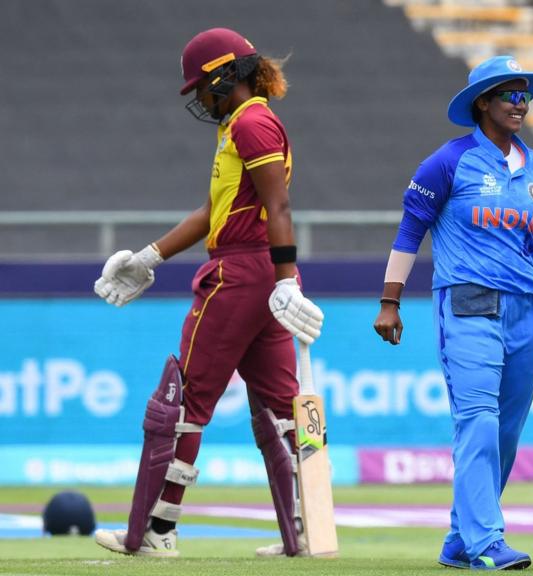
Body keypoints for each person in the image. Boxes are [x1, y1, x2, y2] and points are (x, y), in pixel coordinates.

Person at [92, 28, 324, 558]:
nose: (198, 97)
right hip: (262, 275)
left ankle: (156, 531)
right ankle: (307, 531)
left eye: (201, 86)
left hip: (242, 274)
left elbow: (279, 206)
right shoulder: (243, 125)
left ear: (226, 77)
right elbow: (210, 213)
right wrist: (149, 256)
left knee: (185, 402)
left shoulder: (253, 124)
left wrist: (287, 279)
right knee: (282, 408)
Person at [372, 55, 533, 571]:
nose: (521, 103)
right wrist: (390, 299)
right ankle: (486, 541)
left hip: (526, 308)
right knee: (477, 420)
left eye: (525, 95)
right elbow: (410, 231)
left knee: (506, 432)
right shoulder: (448, 162)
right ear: (482, 103)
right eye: (510, 94)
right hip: (469, 302)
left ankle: (459, 538)